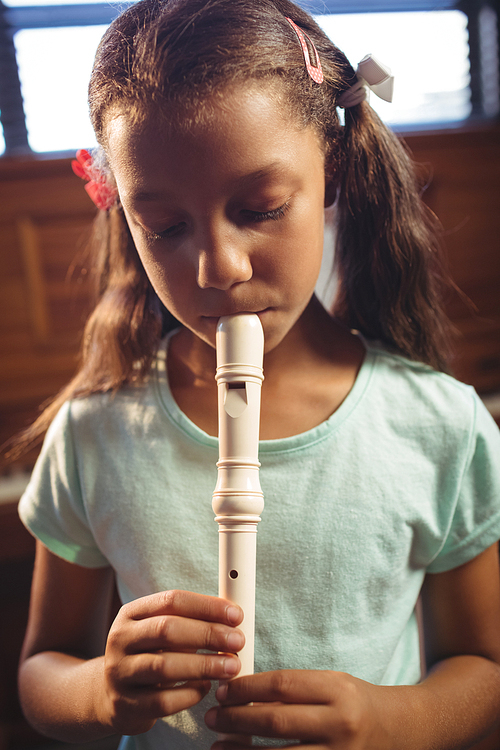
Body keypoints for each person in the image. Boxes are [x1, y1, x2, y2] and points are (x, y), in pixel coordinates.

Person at [16, 0, 500, 748]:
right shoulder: (94, 430)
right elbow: (39, 674)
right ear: (125, 216)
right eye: (166, 226)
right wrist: (99, 690)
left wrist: (392, 721)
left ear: (331, 172)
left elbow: (484, 665)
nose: (219, 268)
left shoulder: (440, 426)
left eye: (261, 207)